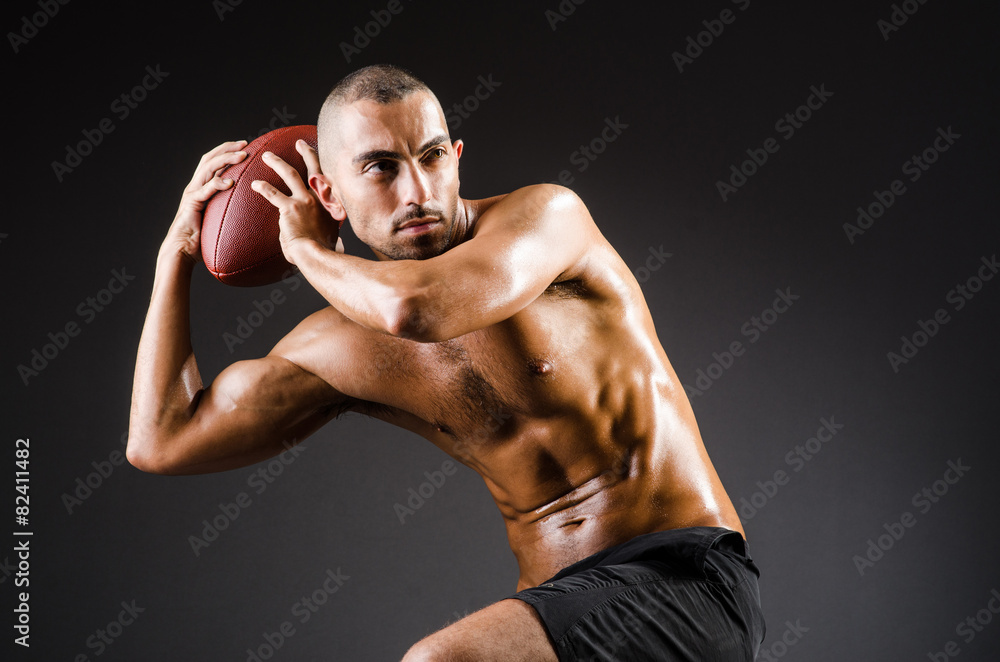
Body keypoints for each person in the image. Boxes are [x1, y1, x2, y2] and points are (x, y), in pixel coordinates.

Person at [127, 64, 766, 661]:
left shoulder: (546, 220)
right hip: (555, 617)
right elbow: (162, 439)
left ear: (455, 157)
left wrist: (302, 249)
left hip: (686, 578)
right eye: (380, 167)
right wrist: (173, 258)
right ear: (329, 194)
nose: (418, 191)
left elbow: (418, 310)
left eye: (431, 156)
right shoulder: (341, 345)